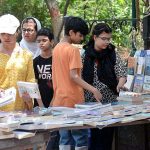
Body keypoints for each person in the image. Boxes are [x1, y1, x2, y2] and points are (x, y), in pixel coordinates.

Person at [51, 16, 102, 150]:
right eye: (80, 35)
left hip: (59, 101)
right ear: (71, 32)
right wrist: (93, 89)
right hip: (74, 101)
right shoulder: (73, 50)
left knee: (65, 137)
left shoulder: (56, 49)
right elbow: (74, 76)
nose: (81, 39)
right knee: (81, 138)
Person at [82, 23, 127, 150]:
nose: (107, 42)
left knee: (106, 139)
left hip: (110, 103)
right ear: (94, 37)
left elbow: (121, 73)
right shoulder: (84, 55)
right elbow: (78, 78)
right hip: (91, 103)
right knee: (93, 138)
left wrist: (120, 84)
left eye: (108, 39)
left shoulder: (112, 53)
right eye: (103, 38)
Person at [0, 14, 35, 111]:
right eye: (3, 33)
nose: (6, 37)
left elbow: (30, 82)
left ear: (17, 32)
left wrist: (29, 99)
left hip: (20, 113)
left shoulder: (26, 55)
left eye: (10, 34)